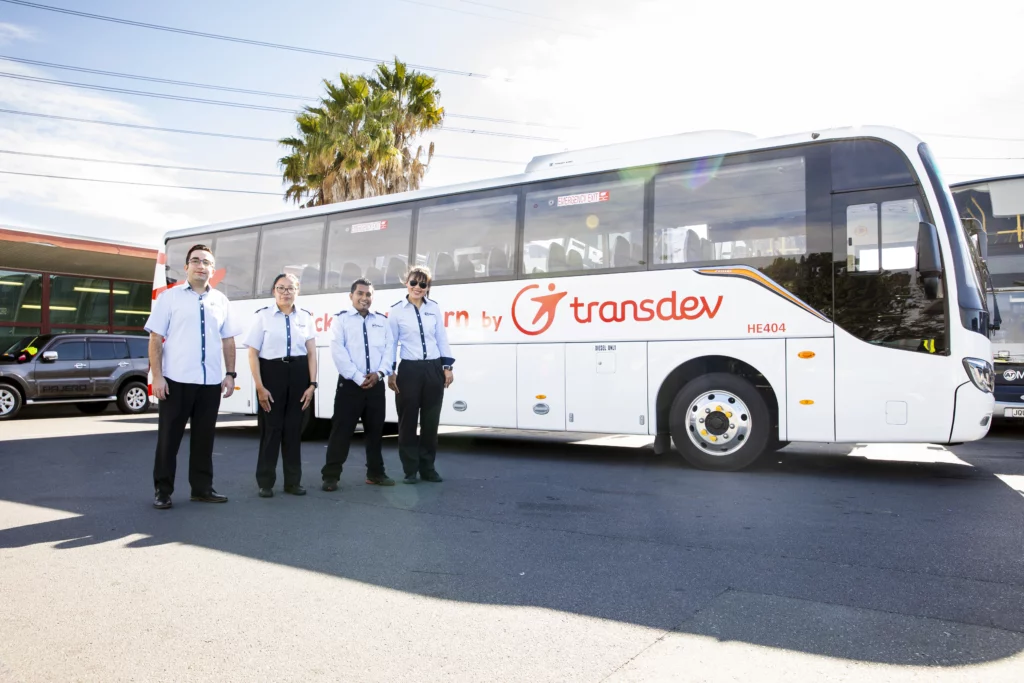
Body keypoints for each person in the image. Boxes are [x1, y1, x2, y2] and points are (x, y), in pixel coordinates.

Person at [146, 244, 241, 510]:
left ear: (213, 269)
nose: (201, 266)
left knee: (204, 440)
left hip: (209, 383)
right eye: (196, 261)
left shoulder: (220, 301)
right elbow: (155, 339)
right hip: (175, 381)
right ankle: (162, 491)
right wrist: (158, 377)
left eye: (206, 262)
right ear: (186, 266)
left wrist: (230, 374)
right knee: (169, 440)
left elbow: (228, 340)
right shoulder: (170, 298)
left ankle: (202, 489)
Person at [244, 273, 317, 498]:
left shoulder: (305, 317)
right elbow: (253, 354)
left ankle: (293, 482)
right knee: (271, 430)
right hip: (272, 375)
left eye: (290, 288)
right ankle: (265, 482)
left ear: (297, 291)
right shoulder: (262, 317)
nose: (286, 292)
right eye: (281, 288)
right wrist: (259, 386)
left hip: (298, 374)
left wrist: (312, 384)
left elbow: (312, 353)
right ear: (274, 291)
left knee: (294, 430)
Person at [322, 278, 395, 490]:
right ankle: (331, 476)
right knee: (341, 432)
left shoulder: (382, 321)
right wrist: (357, 377)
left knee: (375, 432)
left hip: (375, 384)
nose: (364, 298)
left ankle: (376, 473)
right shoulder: (341, 320)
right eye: (360, 294)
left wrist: (380, 373)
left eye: (368, 294)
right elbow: (338, 352)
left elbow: (389, 350)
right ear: (351, 296)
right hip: (350, 385)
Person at [387, 266, 454, 484]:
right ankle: (410, 470)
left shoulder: (434, 308)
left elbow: (441, 338)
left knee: (430, 421)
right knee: (407, 422)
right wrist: (391, 371)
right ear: (406, 283)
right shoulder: (396, 311)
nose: (418, 287)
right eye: (414, 283)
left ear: (428, 288)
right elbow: (391, 344)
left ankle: (428, 468)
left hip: (433, 368)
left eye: (423, 284)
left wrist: (447, 367)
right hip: (409, 370)